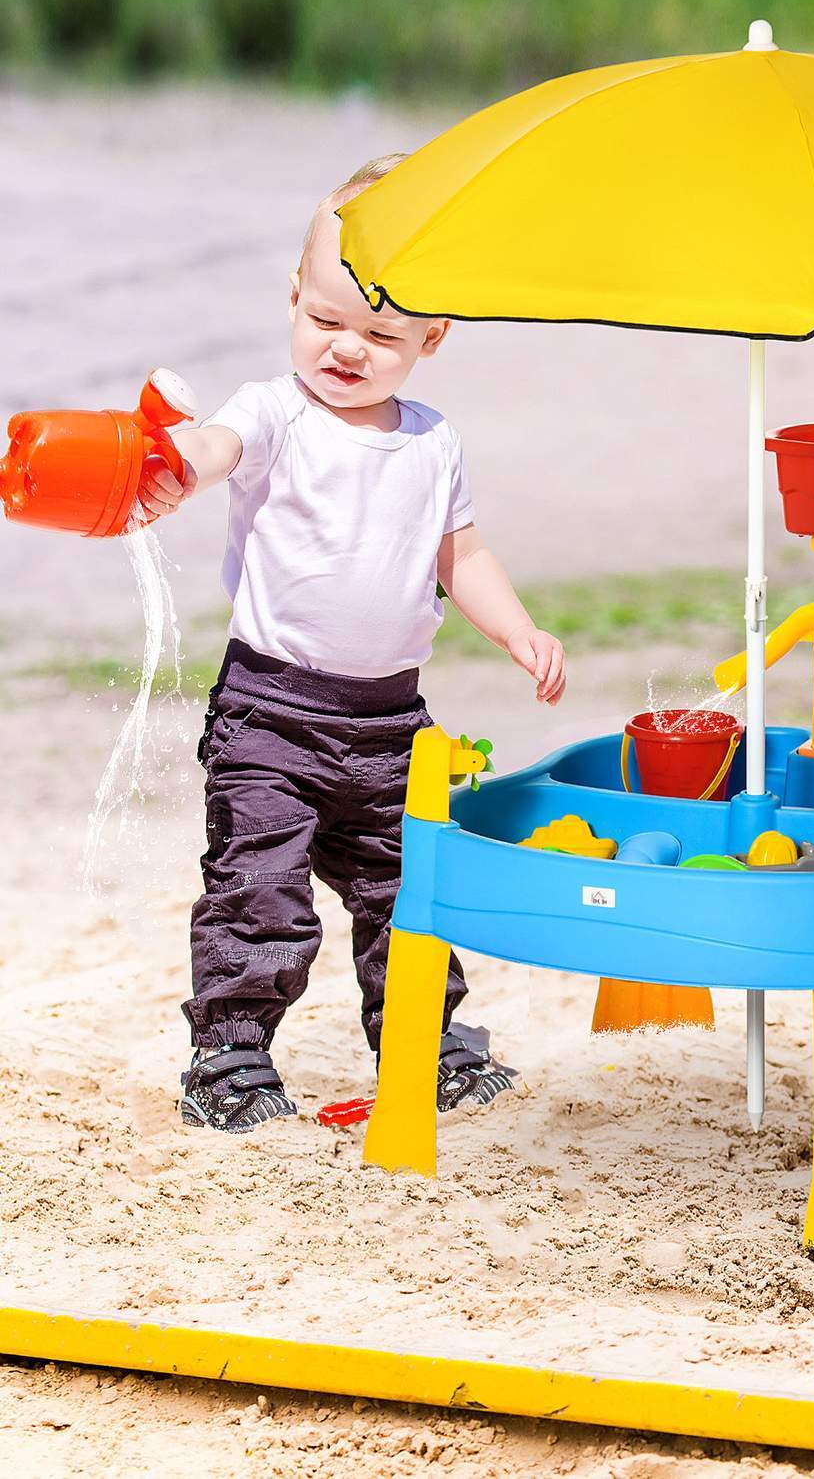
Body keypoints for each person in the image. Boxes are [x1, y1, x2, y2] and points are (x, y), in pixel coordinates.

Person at [140, 155, 567, 1133]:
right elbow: (213, 449)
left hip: (390, 725)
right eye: (325, 319)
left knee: (408, 887)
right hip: (270, 716)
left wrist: (518, 629)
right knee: (260, 890)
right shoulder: (273, 411)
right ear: (294, 296)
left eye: (380, 332)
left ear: (431, 336)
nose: (346, 348)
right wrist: (172, 465)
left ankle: (430, 1044)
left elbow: (462, 553)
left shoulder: (432, 441)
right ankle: (232, 1057)